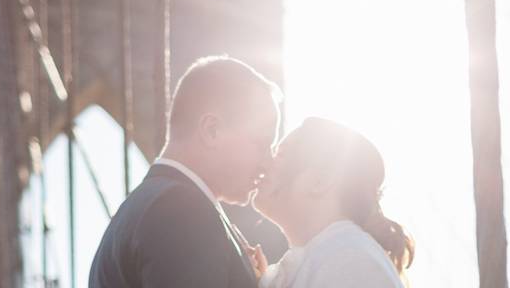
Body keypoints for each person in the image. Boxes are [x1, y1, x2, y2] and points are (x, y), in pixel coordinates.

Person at [89, 56, 281, 288]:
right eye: (261, 144)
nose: (268, 164)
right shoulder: (183, 211)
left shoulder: (148, 206)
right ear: (212, 131)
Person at [251, 117, 414, 288]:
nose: (264, 164)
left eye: (280, 155)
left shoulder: (352, 262)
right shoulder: (332, 255)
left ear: (320, 181)